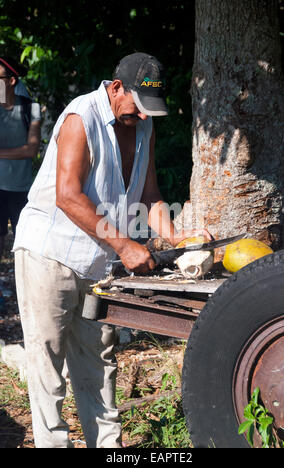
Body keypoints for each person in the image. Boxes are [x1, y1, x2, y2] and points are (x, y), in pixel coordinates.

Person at [13, 52, 211, 449]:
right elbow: (68, 195)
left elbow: (151, 195)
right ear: (116, 87)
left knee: (98, 362)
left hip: (97, 263)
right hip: (48, 255)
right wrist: (124, 244)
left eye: (149, 112)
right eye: (137, 107)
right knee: (47, 365)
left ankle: (108, 449)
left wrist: (178, 238)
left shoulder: (142, 127)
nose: (140, 117)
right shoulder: (80, 117)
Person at [0, 57, 41, 260]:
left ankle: (22, 290)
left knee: (23, 246)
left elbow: (31, 149)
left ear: (11, 81)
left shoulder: (30, 108)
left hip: (21, 189)